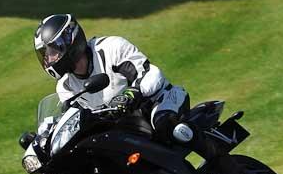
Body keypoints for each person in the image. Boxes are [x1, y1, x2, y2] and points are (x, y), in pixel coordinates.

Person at [34, 13, 216, 157]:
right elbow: (68, 118)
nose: (48, 59)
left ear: (70, 41)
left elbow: (151, 74)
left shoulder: (111, 48)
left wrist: (131, 94)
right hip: (123, 128)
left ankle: (223, 164)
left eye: (52, 52)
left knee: (167, 126)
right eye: (44, 55)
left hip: (158, 103)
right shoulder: (65, 86)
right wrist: (45, 134)